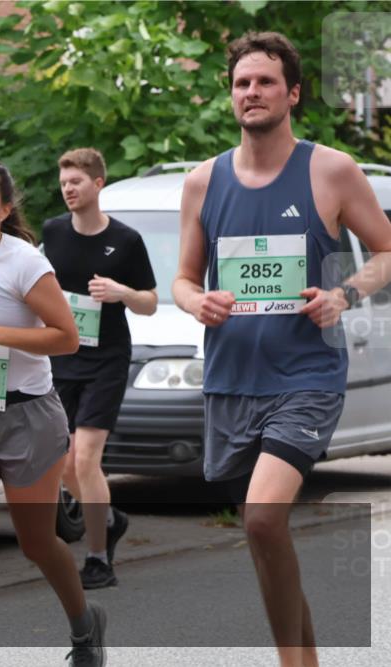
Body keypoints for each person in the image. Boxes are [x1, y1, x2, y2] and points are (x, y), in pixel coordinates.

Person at [173, 31, 391, 667]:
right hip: (231, 379)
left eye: (265, 81)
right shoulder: (201, 181)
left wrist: (344, 295)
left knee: (263, 519)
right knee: (265, 536)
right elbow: (185, 280)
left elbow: (386, 251)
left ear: (291, 93)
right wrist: (196, 302)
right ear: (231, 96)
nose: (252, 92)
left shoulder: (330, 170)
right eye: (242, 83)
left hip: (307, 377)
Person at [0, 159, 108, 667]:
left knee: (36, 542)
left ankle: (83, 625)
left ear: (4, 210)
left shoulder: (24, 262)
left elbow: (68, 338)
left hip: (27, 414)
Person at [42, 148, 158, 589]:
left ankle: (97, 559)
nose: (68, 189)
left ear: (97, 184)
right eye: (64, 183)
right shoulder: (52, 233)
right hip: (62, 358)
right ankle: (108, 518)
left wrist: (120, 291)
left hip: (107, 359)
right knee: (66, 464)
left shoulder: (125, 240)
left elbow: (148, 302)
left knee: (86, 458)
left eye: (76, 182)